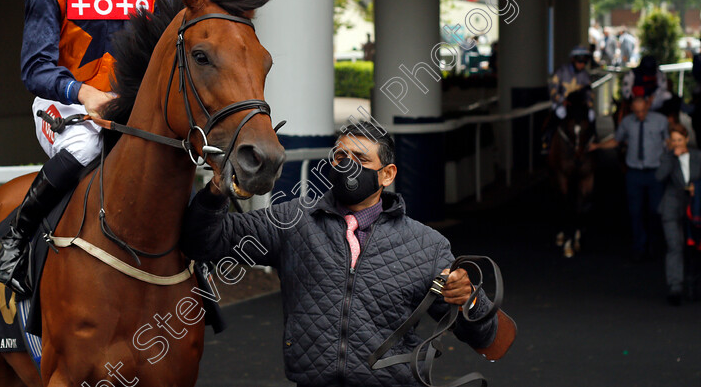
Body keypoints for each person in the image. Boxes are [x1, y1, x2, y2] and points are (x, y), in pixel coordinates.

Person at [181, 121, 507, 386]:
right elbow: (206, 241)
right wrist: (217, 188)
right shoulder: (292, 220)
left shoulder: (427, 245)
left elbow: (486, 334)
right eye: (341, 157)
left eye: (362, 160)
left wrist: (468, 299)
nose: (348, 166)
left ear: (387, 174)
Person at [0, 0, 169, 296]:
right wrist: (85, 95)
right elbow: (35, 69)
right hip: (64, 105)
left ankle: (193, 266)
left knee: (169, 161)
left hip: (129, 110)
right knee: (86, 145)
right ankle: (13, 240)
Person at [590, 96, 669, 261]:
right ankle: (639, 247)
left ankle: (654, 244)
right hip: (634, 173)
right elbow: (616, 141)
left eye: (643, 111)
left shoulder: (661, 121)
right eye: (637, 111)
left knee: (655, 210)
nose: (640, 114)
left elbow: (669, 142)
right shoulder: (626, 122)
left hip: (655, 172)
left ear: (647, 106)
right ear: (632, 109)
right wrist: (598, 146)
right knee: (635, 211)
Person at [655, 123, 700, 306]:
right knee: (675, 246)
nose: (677, 143)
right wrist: (672, 158)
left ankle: (692, 286)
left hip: (693, 208)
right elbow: (659, 177)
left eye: (679, 140)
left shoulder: (697, 156)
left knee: (693, 248)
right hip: (672, 205)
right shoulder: (667, 157)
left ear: (687, 140)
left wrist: (697, 189)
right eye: (673, 140)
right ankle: (675, 286)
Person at [543, 45, 594, 151]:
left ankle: (593, 141)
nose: (582, 64)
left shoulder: (585, 75)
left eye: (584, 62)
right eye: (580, 61)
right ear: (573, 60)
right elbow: (553, 89)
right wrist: (561, 101)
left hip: (578, 106)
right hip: (562, 104)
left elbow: (589, 91)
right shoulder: (561, 71)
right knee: (556, 117)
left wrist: (589, 104)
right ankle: (546, 142)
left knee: (591, 118)